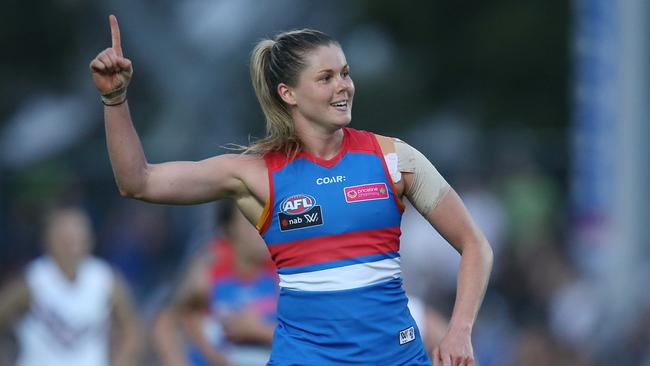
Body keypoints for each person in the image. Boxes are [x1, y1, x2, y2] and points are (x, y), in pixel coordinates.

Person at [90, 14, 493, 366]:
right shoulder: (258, 174)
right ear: (289, 94)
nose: (344, 86)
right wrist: (114, 98)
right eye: (326, 77)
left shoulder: (394, 158)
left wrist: (459, 330)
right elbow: (138, 181)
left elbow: (475, 245)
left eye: (345, 73)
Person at [0, 205, 142, 366]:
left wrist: (122, 361)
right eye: (65, 238)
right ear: (48, 240)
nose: (72, 244)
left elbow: (132, 330)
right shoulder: (32, 280)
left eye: (78, 237)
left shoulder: (105, 279)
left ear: (90, 239)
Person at [153, 202, 278, 366]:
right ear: (228, 228)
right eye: (252, 221)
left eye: (268, 221)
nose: (263, 230)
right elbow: (165, 323)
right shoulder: (208, 267)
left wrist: (259, 331)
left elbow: (311, 339)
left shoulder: (286, 271)